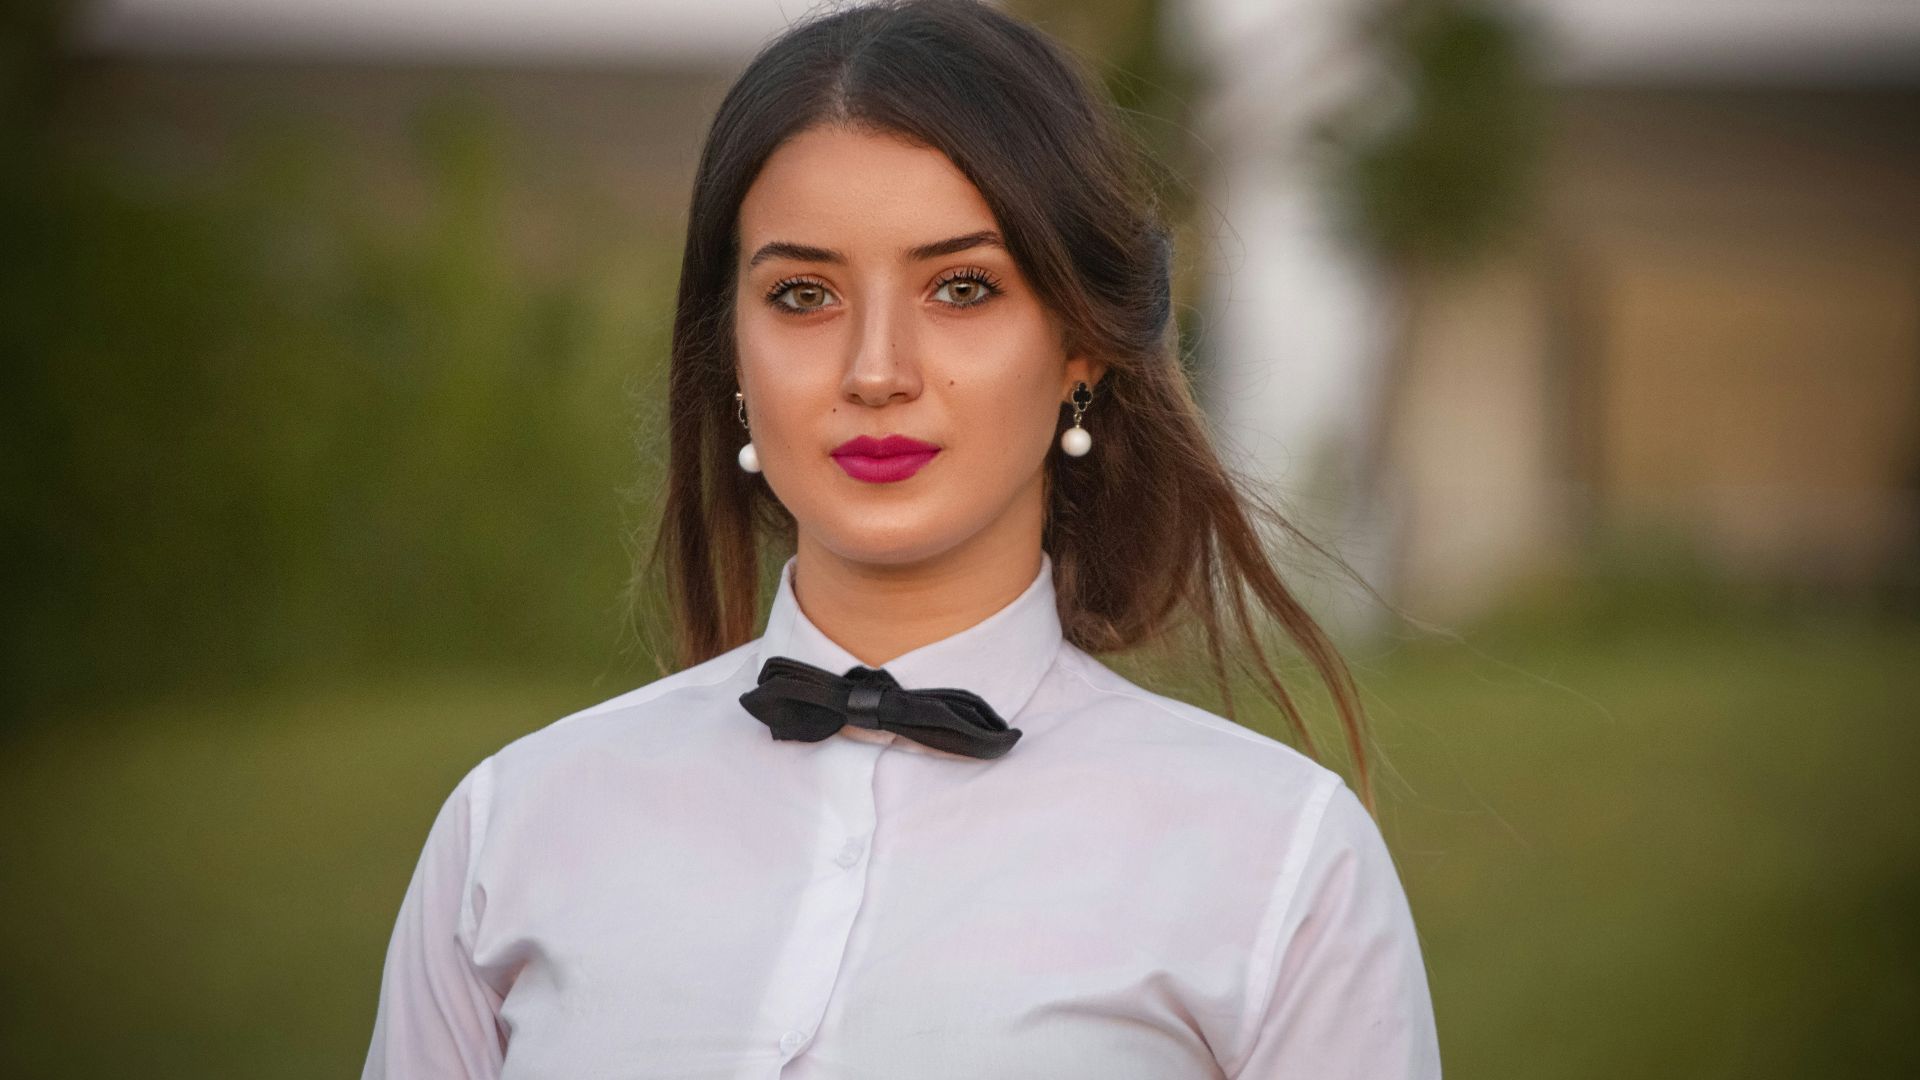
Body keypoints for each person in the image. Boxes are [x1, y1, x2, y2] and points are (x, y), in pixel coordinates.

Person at [360, 1, 1441, 1076]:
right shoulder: (510, 833)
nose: (877, 370)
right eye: (802, 295)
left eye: (961, 287)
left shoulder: (1279, 861)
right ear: (728, 351)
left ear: (1081, 346)